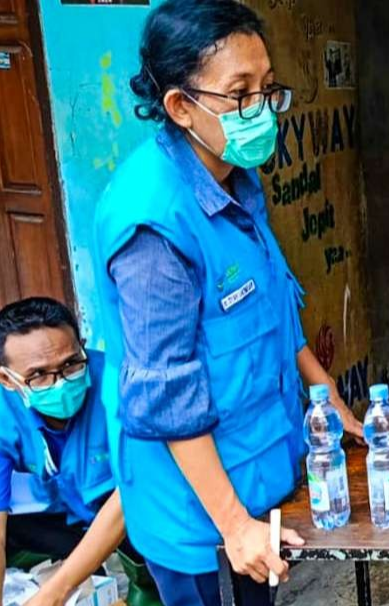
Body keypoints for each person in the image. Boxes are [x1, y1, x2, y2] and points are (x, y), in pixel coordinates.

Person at [91, 1, 361, 603]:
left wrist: (329, 398)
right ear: (181, 106)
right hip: (202, 524)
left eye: (267, 88)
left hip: (255, 484)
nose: (260, 110)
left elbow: (270, 314)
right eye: (239, 94)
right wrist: (234, 525)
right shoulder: (153, 226)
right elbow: (166, 395)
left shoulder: (233, 176)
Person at [0, 298, 158, 606]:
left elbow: (128, 497)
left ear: (82, 346)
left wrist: (53, 595)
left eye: (71, 364)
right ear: (6, 379)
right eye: (39, 376)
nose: (60, 383)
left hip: (128, 507)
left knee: (153, 537)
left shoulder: (118, 383)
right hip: (58, 514)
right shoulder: (3, 413)